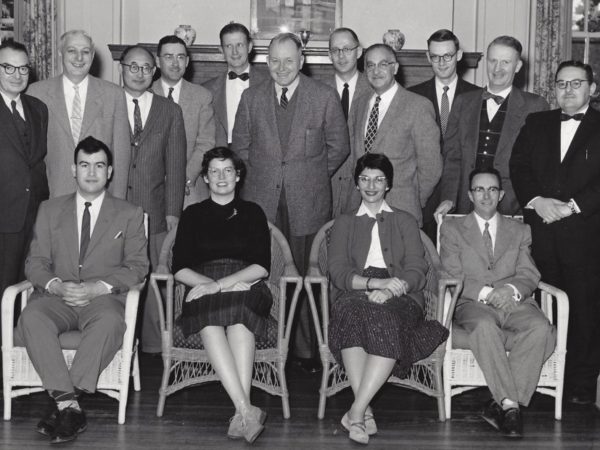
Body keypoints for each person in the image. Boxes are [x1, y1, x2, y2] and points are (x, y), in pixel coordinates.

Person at [16, 136, 148, 444]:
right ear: (74, 169)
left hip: (102, 300)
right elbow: (35, 262)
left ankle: (64, 404)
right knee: (31, 317)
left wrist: (98, 287)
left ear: (110, 171)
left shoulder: (129, 213)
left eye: (99, 165)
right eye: (84, 165)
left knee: (112, 323)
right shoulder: (49, 209)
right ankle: (70, 406)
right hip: (56, 298)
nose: (91, 172)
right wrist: (56, 285)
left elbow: (138, 266)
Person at [232, 32, 349, 370]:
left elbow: (339, 147)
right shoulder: (252, 98)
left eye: (288, 60)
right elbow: (240, 146)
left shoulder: (324, 97)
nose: (281, 68)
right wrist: (266, 178)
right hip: (262, 202)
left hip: (308, 202)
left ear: (302, 61)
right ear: (266, 62)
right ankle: (267, 349)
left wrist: (308, 176)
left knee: (307, 279)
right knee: (264, 276)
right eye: (274, 61)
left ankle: (307, 353)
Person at [328, 152, 448, 445]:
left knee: (385, 316)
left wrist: (391, 288)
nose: (371, 185)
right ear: (356, 183)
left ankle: (356, 411)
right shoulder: (343, 223)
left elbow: (418, 269)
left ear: (388, 185)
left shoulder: (405, 221)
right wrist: (373, 284)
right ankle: (363, 410)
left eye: (378, 180)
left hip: (402, 292)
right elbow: (338, 272)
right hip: (356, 289)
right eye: (365, 179)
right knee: (349, 313)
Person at [440, 167, 556, 439]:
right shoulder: (453, 229)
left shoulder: (520, 230)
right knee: (484, 327)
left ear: (501, 194)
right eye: (479, 189)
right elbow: (450, 274)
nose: (485, 195)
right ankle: (511, 405)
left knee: (542, 328)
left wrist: (512, 289)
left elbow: (529, 273)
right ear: (470, 194)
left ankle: (500, 404)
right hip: (473, 303)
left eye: (492, 189)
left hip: (514, 303)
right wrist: (485, 293)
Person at [510, 60, 600, 406]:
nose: (567, 90)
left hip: (587, 235)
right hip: (542, 233)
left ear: (592, 89)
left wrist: (572, 206)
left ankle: (579, 384)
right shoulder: (537, 122)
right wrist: (536, 200)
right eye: (561, 84)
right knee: (542, 308)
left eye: (576, 83)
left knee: (585, 310)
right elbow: (518, 165)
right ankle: (543, 378)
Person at [172, 147, 271, 443]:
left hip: (245, 283)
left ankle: (241, 413)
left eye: (228, 170)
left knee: (240, 317)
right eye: (214, 171)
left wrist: (223, 284)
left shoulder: (253, 212)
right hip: (202, 281)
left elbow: (261, 267)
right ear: (205, 177)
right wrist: (209, 285)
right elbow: (178, 268)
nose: (221, 177)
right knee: (209, 318)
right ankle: (245, 410)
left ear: (238, 175)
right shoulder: (192, 214)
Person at [119, 45, 186, 353]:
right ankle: (117, 343)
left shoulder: (169, 110)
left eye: (146, 68)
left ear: (155, 71)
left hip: (155, 212)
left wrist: (173, 213)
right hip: (114, 210)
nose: (140, 73)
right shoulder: (107, 103)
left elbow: (175, 166)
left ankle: (152, 349)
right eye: (133, 67)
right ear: (122, 68)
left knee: (154, 281)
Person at [436, 35, 548, 219]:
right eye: (493, 61)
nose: (497, 68)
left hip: (513, 208)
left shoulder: (535, 106)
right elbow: (452, 158)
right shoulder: (463, 102)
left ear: (518, 66)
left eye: (505, 62)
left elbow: (538, 166)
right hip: (466, 206)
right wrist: (449, 198)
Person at [347, 43, 442, 227]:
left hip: (402, 211)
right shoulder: (359, 104)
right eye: (370, 65)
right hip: (362, 211)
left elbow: (431, 167)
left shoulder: (418, 106)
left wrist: (414, 199)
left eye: (383, 64)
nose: (376, 71)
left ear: (395, 68)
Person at [27, 30, 130, 198]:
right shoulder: (36, 93)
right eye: (72, 51)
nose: (79, 58)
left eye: (85, 52)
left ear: (93, 55)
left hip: (100, 198)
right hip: (51, 197)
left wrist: (117, 203)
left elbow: (121, 155)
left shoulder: (114, 95)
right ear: (61, 53)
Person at [408, 29, 479, 241]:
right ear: (428, 57)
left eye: (447, 55)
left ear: (458, 55)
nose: (441, 62)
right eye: (435, 56)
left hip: (462, 192)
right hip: (423, 193)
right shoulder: (412, 96)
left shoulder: (477, 96)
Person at [0, 40, 48, 300]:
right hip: (3, 217)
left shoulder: (39, 109)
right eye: (8, 67)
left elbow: (38, 162)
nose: (17, 75)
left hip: (34, 217)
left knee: (26, 292)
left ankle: (16, 340)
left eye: (23, 68)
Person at [153, 35, 215, 207]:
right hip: (152, 187)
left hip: (190, 188)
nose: (175, 63)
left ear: (187, 62)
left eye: (180, 57)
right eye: (168, 57)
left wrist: (184, 178)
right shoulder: (146, 94)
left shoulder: (202, 96)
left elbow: (206, 142)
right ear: (158, 62)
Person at [325, 27, 373, 218]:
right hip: (327, 183)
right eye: (335, 50)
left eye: (347, 49)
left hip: (363, 184)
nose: (341, 55)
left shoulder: (374, 88)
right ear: (329, 55)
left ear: (359, 52)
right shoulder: (317, 91)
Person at [203, 22, 269, 147]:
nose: (235, 52)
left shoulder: (269, 83)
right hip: (221, 157)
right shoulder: (207, 90)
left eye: (239, 45)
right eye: (228, 46)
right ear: (221, 50)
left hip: (258, 156)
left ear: (249, 47)